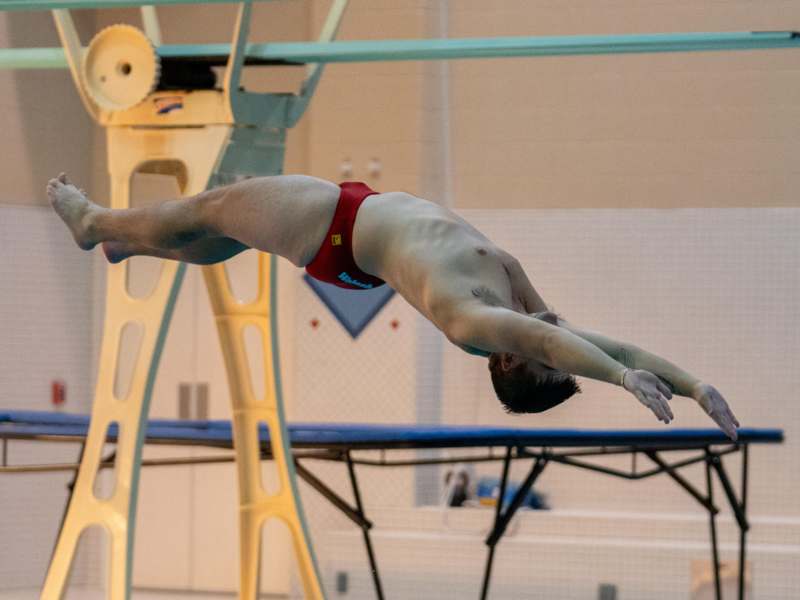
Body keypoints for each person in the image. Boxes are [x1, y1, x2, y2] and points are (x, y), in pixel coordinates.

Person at [46, 173, 740, 439]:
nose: (560, 336)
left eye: (547, 356)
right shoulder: (526, 312)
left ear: (510, 356)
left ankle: (97, 225)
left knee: (212, 209)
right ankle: (129, 249)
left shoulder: (475, 323)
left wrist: (618, 382)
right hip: (358, 219)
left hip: (337, 230)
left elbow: (577, 353)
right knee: (219, 234)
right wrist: (696, 385)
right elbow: (607, 350)